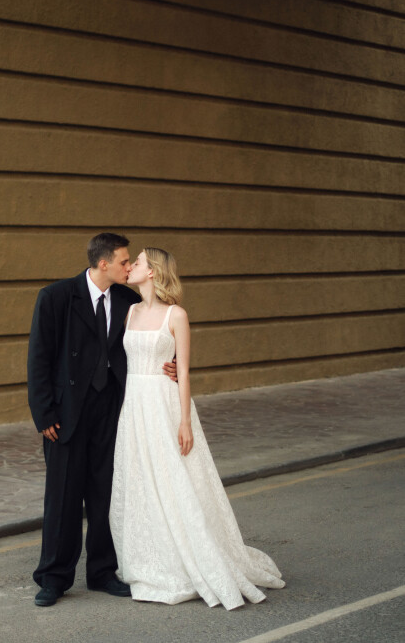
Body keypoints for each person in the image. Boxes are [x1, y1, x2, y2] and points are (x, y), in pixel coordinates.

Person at [109, 248, 285, 609]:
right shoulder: (130, 311)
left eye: (137, 262)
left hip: (165, 404)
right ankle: (150, 559)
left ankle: (194, 559)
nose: (131, 267)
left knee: (175, 479)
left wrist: (185, 421)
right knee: (141, 479)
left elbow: (184, 371)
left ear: (153, 271)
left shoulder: (176, 315)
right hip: (135, 406)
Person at [27, 233, 175, 607]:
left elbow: (156, 333)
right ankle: (53, 578)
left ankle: (102, 572)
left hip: (113, 409)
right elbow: (39, 358)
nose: (129, 267)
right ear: (103, 263)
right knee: (62, 497)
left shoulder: (127, 300)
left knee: (107, 494)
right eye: (125, 261)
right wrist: (44, 413)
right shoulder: (56, 297)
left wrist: (171, 364)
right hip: (65, 414)